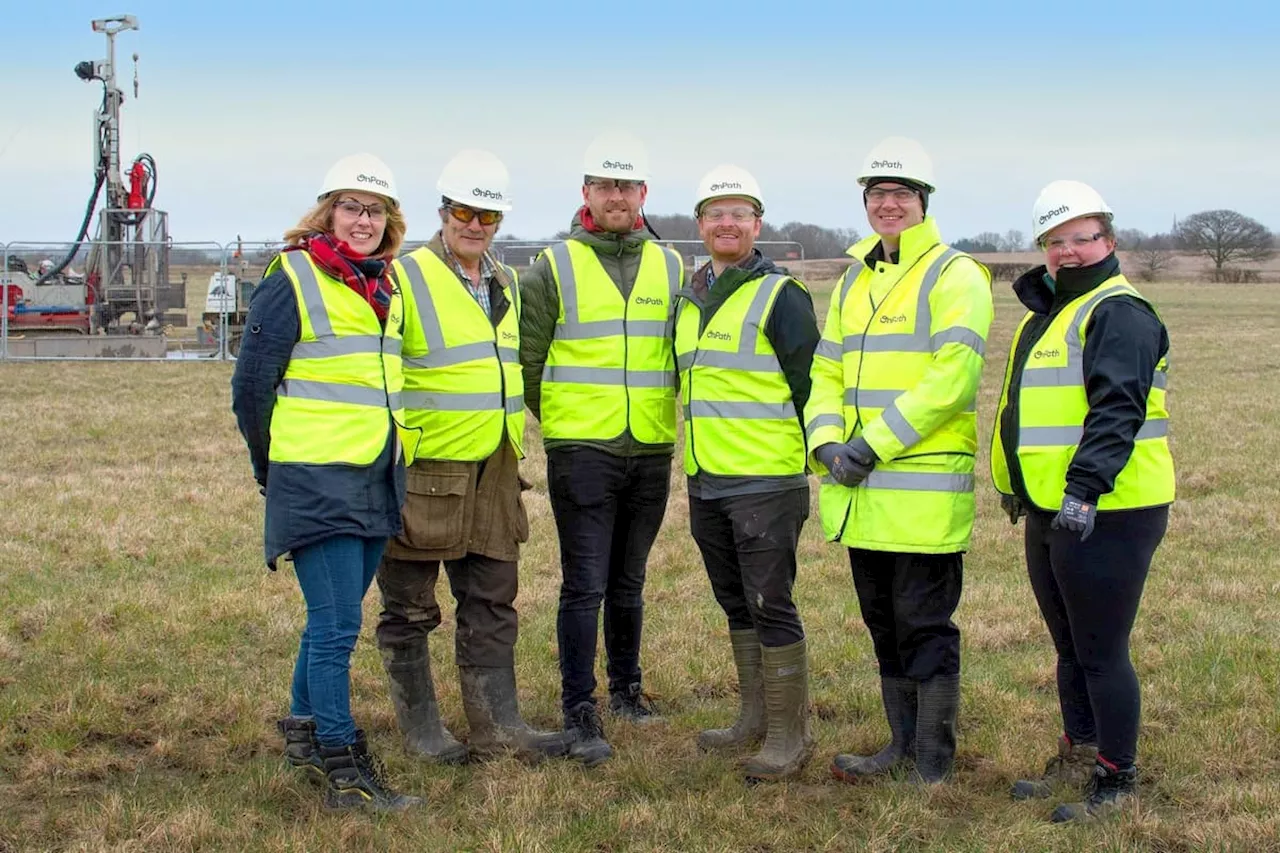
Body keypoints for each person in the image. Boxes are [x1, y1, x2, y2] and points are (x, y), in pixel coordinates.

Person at [230, 153, 419, 812]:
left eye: (376, 210)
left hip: (374, 477)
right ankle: (345, 767)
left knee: (327, 625)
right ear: (327, 212)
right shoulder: (294, 276)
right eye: (351, 206)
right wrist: (271, 464)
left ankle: (304, 736)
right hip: (314, 479)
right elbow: (251, 386)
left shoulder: (385, 286)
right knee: (338, 628)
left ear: (389, 221)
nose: (363, 220)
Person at [806, 137, 993, 785]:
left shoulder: (955, 274)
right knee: (883, 623)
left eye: (901, 194)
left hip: (919, 495)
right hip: (859, 490)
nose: (889, 204)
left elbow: (954, 379)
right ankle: (902, 744)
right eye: (878, 194)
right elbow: (826, 368)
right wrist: (825, 440)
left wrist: (870, 444)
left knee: (924, 625)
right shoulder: (854, 279)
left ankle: (934, 760)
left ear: (923, 203)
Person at [376, 149, 567, 764]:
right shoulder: (403, 277)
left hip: (494, 469)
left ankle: (498, 729)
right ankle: (424, 734)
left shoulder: (505, 283)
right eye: (463, 210)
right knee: (408, 607)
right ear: (442, 212)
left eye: (487, 214)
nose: (475, 223)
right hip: (425, 470)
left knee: (492, 602)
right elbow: (380, 371)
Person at [992, 180, 1174, 823]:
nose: (1069, 251)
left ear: (1109, 240)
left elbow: (1116, 409)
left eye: (1082, 237)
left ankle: (1117, 780)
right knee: (1069, 646)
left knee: (1100, 650)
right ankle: (1080, 751)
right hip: (1051, 508)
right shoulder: (1052, 313)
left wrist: (1084, 491)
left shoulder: (1118, 311)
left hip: (1109, 509)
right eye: (1056, 241)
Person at [519, 131, 683, 766]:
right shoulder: (552, 267)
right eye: (606, 186)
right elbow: (530, 362)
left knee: (630, 580)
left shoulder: (670, 267)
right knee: (584, 583)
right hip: (582, 451)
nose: (617, 197)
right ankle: (578, 707)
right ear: (586, 192)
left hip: (649, 447)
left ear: (643, 194)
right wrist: (565, 417)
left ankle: (628, 691)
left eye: (628, 186)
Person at [675, 165, 821, 782]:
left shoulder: (782, 295)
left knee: (771, 603)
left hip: (766, 481)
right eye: (715, 212)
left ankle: (790, 734)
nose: (726, 222)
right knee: (735, 602)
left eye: (739, 212)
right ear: (701, 225)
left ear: (757, 225)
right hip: (707, 480)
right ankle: (753, 717)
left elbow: (811, 386)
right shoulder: (690, 297)